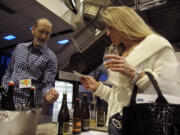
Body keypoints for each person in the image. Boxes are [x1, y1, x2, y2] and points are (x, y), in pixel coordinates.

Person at [80, 6, 180, 127]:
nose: (107, 33)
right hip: (118, 125)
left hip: (145, 125)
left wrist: (135, 74)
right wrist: (97, 87)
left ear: (123, 24)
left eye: (110, 27)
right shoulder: (120, 52)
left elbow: (171, 91)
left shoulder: (158, 46)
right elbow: (119, 98)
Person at [1, 18, 59, 107]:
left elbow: (47, 84)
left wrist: (48, 94)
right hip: (7, 100)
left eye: (47, 33)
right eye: (41, 31)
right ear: (33, 30)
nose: (43, 36)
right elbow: (9, 71)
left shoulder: (51, 58)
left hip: (28, 105)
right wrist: (5, 86)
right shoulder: (19, 48)